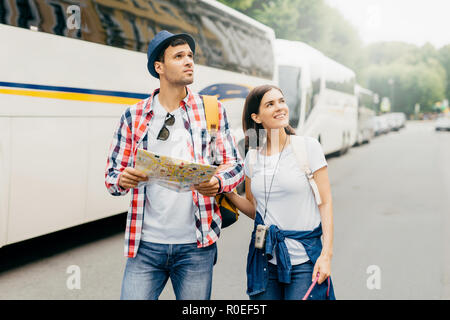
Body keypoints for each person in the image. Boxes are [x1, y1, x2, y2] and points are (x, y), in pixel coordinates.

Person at [105, 30, 244, 300]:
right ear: (159, 67)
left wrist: (216, 183)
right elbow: (111, 177)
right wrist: (124, 179)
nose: (188, 61)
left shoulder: (212, 110)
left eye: (190, 56)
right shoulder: (134, 115)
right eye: (179, 56)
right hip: (144, 247)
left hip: (196, 245)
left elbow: (235, 165)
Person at [224, 84, 335, 300]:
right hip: (265, 261)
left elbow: (326, 203)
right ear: (256, 117)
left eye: (281, 101)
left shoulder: (308, 147)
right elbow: (255, 209)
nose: (280, 107)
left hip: (305, 260)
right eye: (270, 104)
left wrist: (326, 255)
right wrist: (228, 193)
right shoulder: (252, 158)